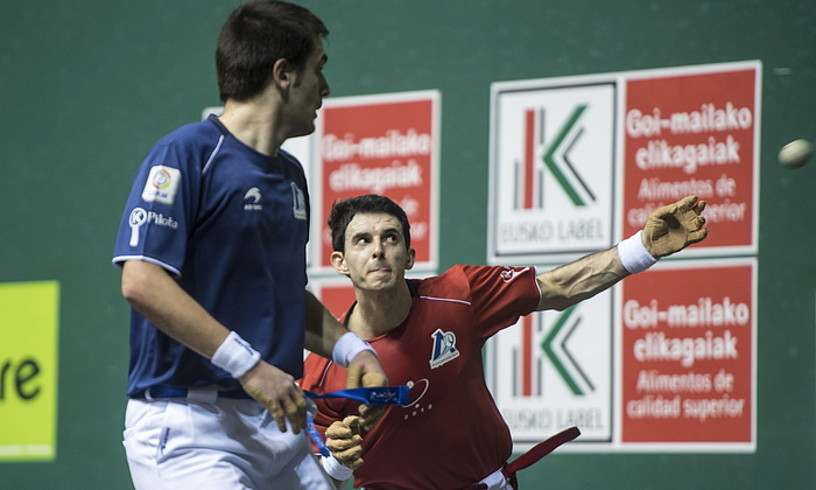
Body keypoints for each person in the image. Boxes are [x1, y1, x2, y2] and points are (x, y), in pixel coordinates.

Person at [111, 2, 386, 488]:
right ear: (284, 75)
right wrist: (249, 366)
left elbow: (282, 298)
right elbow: (141, 279)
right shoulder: (186, 154)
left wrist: (352, 350)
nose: (325, 88)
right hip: (190, 429)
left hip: (278, 428)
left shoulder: (291, 175)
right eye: (318, 69)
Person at [300, 193, 709, 489]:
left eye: (391, 238)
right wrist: (336, 461)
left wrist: (643, 248)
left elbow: (559, 287)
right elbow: (315, 477)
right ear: (340, 263)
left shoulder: (458, 293)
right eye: (362, 241)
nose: (378, 252)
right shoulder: (321, 368)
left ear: (408, 255)